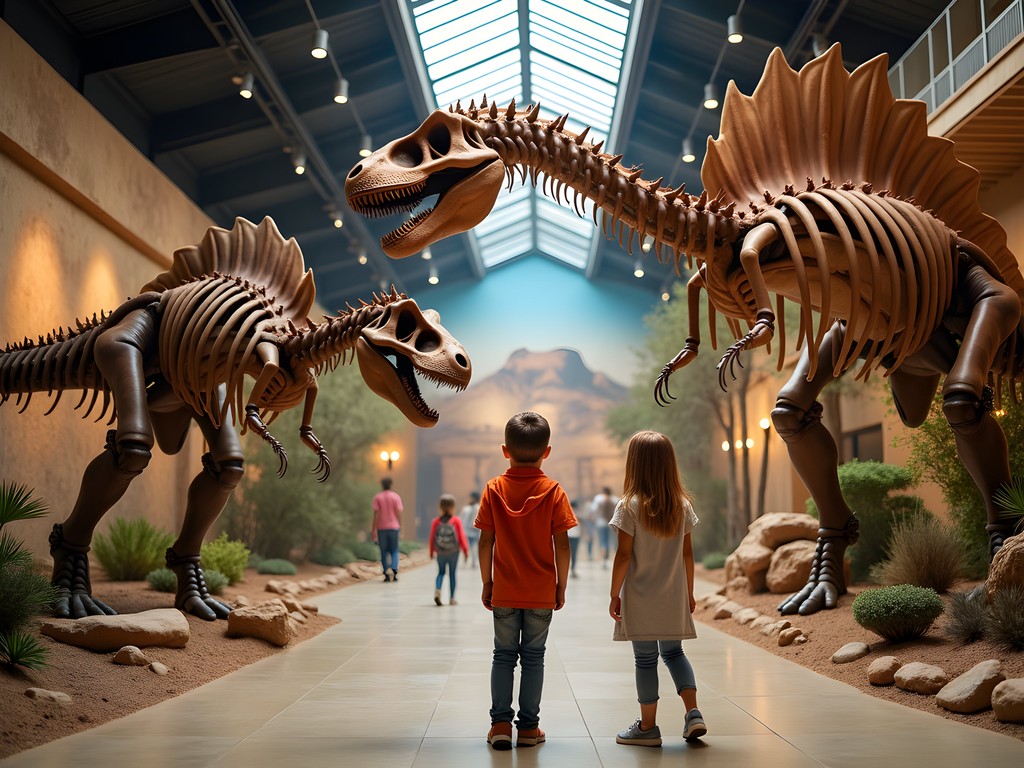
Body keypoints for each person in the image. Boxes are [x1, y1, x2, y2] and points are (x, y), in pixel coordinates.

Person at [475, 411, 576, 750]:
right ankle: (529, 729)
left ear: (506, 450)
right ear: (547, 451)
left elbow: (485, 540)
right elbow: (562, 542)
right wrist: (560, 585)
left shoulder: (493, 489)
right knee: (534, 657)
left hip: (504, 588)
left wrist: (487, 582)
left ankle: (500, 725)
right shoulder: (553, 491)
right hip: (540, 590)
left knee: (503, 655)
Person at [608, 430, 706, 747]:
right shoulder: (681, 505)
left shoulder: (629, 506)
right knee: (675, 653)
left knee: (646, 661)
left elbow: (624, 555)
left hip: (640, 597)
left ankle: (648, 728)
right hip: (673, 594)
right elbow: (688, 554)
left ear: (634, 465)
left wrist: (614, 594)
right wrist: (689, 591)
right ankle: (693, 713)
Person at [430, 493, 469, 605]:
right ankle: (452, 598)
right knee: (452, 574)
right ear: (453, 507)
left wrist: (431, 551)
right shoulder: (456, 520)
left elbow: (432, 537)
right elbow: (461, 536)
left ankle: (438, 590)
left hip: (440, 551)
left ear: (440, 507)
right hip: (453, 551)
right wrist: (466, 551)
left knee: (441, 572)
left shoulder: (436, 522)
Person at [371, 477, 403, 582]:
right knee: (394, 550)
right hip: (394, 527)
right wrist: (400, 526)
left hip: (381, 528)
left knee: (383, 551)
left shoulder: (378, 497)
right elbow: (398, 513)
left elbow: (375, 514)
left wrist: (373, 529)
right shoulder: (395, 497)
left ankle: (386, 573)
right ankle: (394, 569)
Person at [591, 486, 618, 567]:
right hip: (611, 523)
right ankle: (612, 559)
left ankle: (604, 560)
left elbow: (593, 510)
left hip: (600, 523)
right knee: (611, 541)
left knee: (602, 541)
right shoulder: (615, 499)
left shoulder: (598, 498)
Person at [458, 491, 481, 567]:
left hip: (475, 531)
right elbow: (461, 519)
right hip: (466, 532)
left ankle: (474, 562)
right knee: (465, 547)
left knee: (474, 548)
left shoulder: (478, 507)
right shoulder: (466, 508)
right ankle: (465, 561)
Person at [567, 500, 582, 578]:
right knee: (574, 553)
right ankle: (572, 569)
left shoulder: (567, 513)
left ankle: (569, 570)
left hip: (568, 535)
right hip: (575, 536)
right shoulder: (578, 514)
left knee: (567, 554)